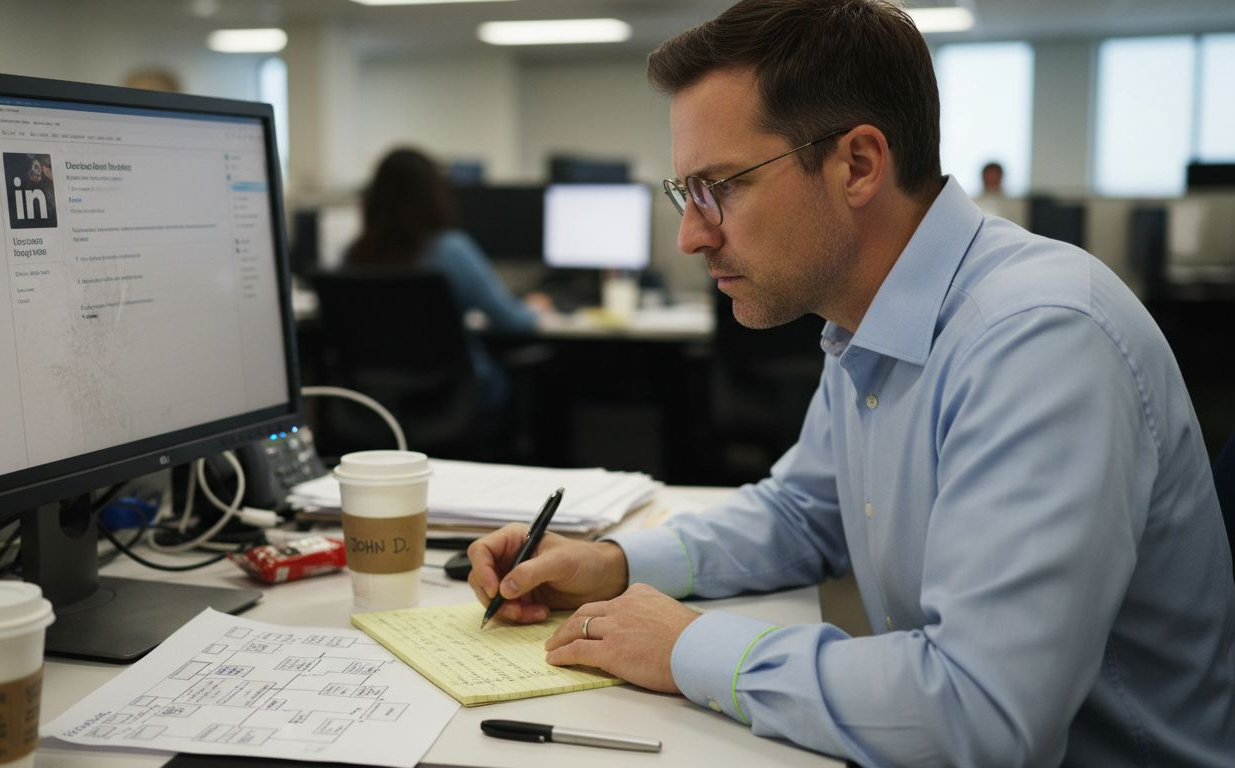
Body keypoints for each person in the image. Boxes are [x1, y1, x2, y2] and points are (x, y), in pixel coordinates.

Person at [467, 1, 1235, 766]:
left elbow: (982, 712)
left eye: (720, 187)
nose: (691, 235)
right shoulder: (873, 317)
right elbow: (805, 512)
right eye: (684, 193)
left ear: (858, 165)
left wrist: (691, 648)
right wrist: (616, 564)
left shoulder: (1040, 337)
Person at [346, 147, 551, 408]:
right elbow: (510, 321)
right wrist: (535, 308)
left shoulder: (354, 256)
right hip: (452, 398)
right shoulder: (450, 250)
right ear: (434, 196)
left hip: (375, 397)